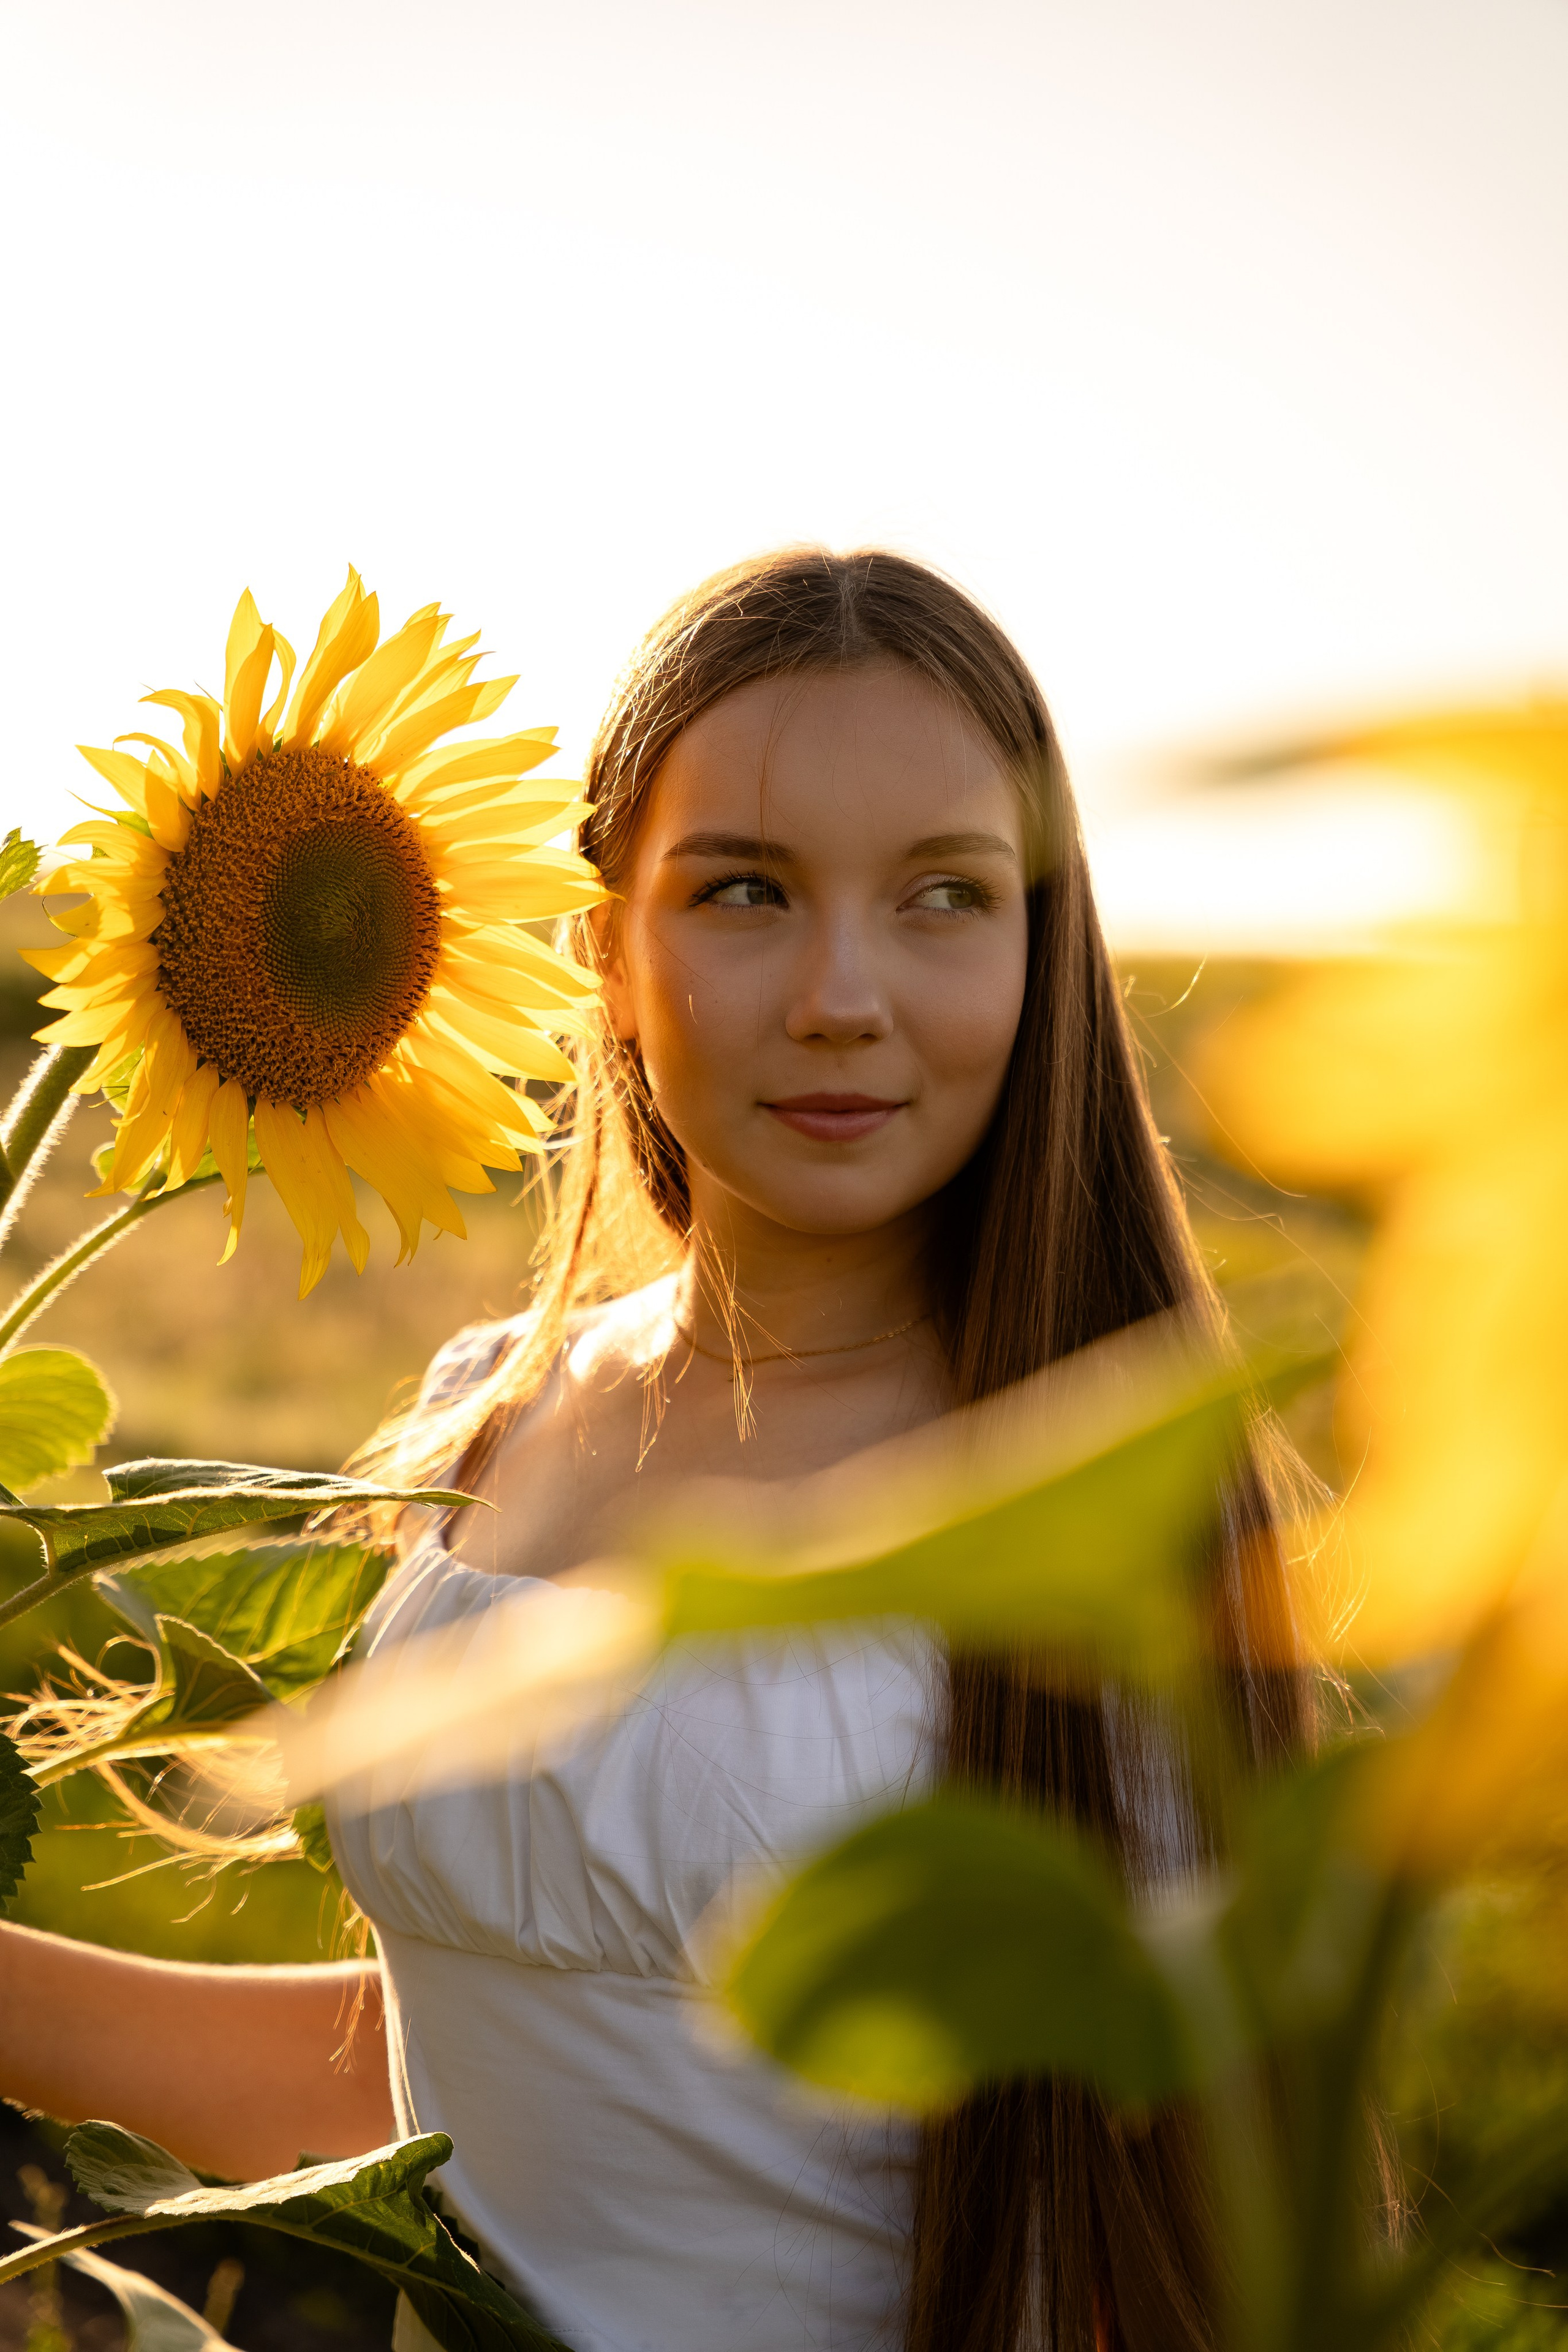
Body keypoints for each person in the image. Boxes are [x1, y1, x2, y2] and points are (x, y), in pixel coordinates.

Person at [0, 550, 1307, 2352]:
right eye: (747, 891)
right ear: (603, 945)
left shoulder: (1083, 1501)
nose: (843, 993)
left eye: (942, 895)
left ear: (1038, 941)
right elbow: (462, 2076)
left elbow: (1163, 2243)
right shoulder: (495, 1418)